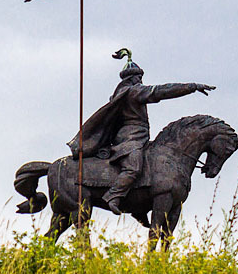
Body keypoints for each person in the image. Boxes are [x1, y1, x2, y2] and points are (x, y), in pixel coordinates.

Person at [68, 49, 214, 214]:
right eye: (139, 78)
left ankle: (140, 207)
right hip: (130, 138)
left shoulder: (125, 93)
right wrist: (191, 87)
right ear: (133, 78)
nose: (141, 81)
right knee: (134, 167)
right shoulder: (133, 91)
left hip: (140, 138)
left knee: (153, 162)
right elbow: (161, 91)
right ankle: (114, 196)